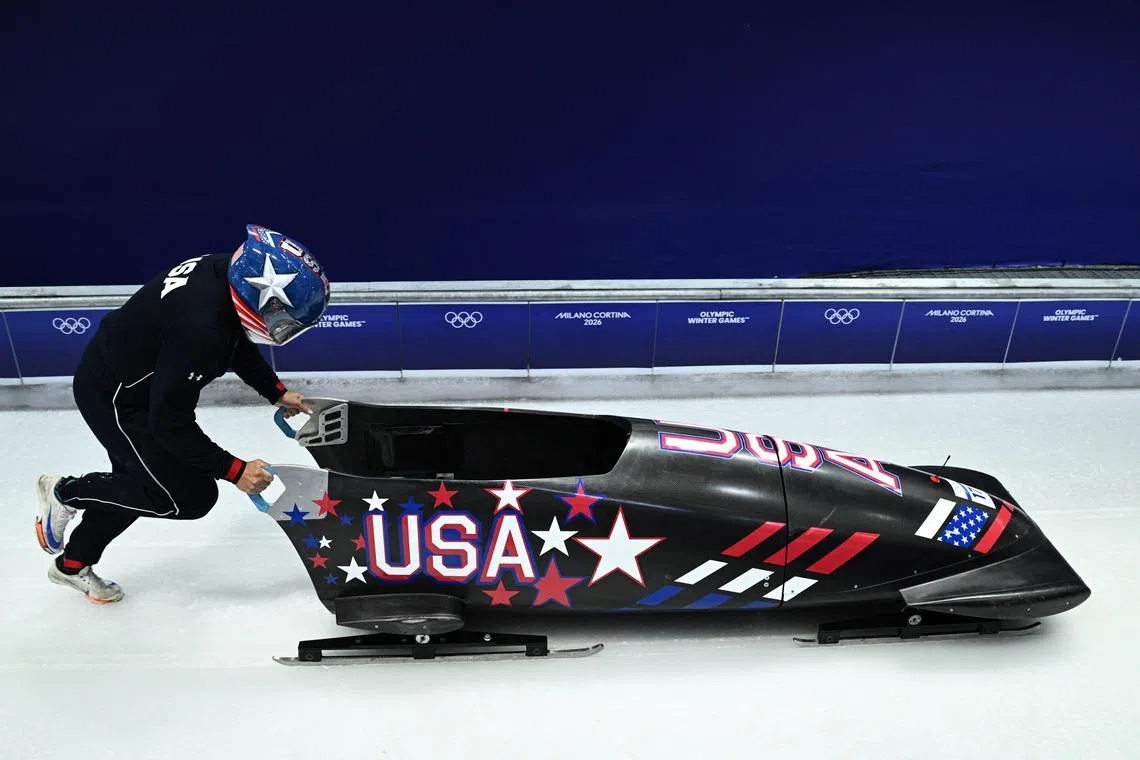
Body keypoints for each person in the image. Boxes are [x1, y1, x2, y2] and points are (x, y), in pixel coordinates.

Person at [34, 224, 331, 603]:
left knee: (138, 485)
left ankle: (71, 566)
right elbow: (169, 421)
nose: (278, 325)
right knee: (185, 497)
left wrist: (275, 391)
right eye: (278, 315)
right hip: (116, 396)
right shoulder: (201, 330)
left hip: (127, 373)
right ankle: (66, 492)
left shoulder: (225, 272)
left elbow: (233, 335)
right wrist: (234, 469)